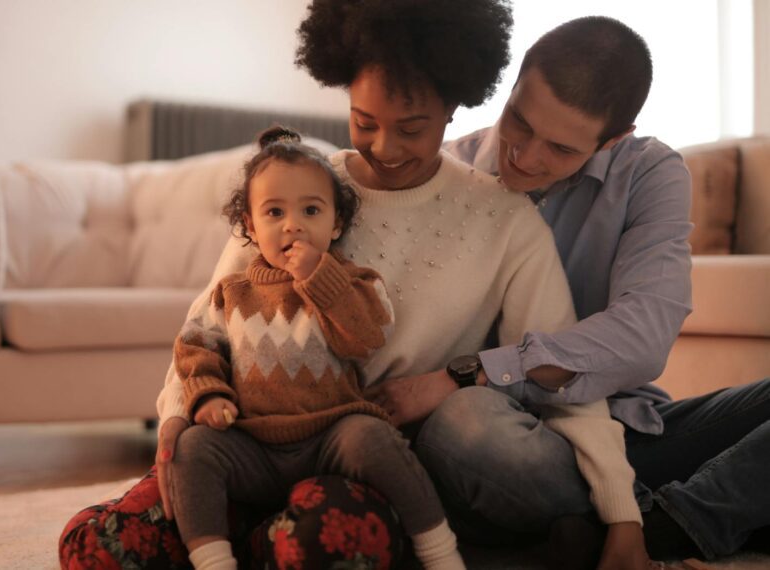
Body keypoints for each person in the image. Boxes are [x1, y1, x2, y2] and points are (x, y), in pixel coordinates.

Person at [155, 2, 655, 568]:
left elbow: (558, 375)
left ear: (453, 107)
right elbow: (207, 322)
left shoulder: (507, 220)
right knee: (105, 543)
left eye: (412, 128)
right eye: (363, 121)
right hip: (255, 440)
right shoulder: (301, 189)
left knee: (317, 543)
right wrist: (175, 418)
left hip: (381, 463)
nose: (385, 147)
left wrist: (623, 517)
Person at [358, 15, 770, 563]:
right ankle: (714, 509)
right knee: (467, 426)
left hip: (628, 437)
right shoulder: (443, 170)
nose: (525, 158)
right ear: (511, 88)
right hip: (490, 443)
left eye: (560, 148)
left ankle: (666, 524)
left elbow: (645, 336)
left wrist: (472, 371)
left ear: (612, 139)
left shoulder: (647, 173)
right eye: (519, 123)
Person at [168, 125, 466, 570]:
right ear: (249, 224)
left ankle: (440, 552)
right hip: (252, 442)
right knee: (193, 449)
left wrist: (317, 277)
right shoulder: (232, 293)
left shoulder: (353, 282)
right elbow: (195, 347)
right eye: (273, 213)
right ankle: (214, 561)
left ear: (337, 222)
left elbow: (364, 337)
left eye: (311, 210)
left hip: (331, 436)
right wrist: (208, 395)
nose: (293, 225)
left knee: (375, 437)